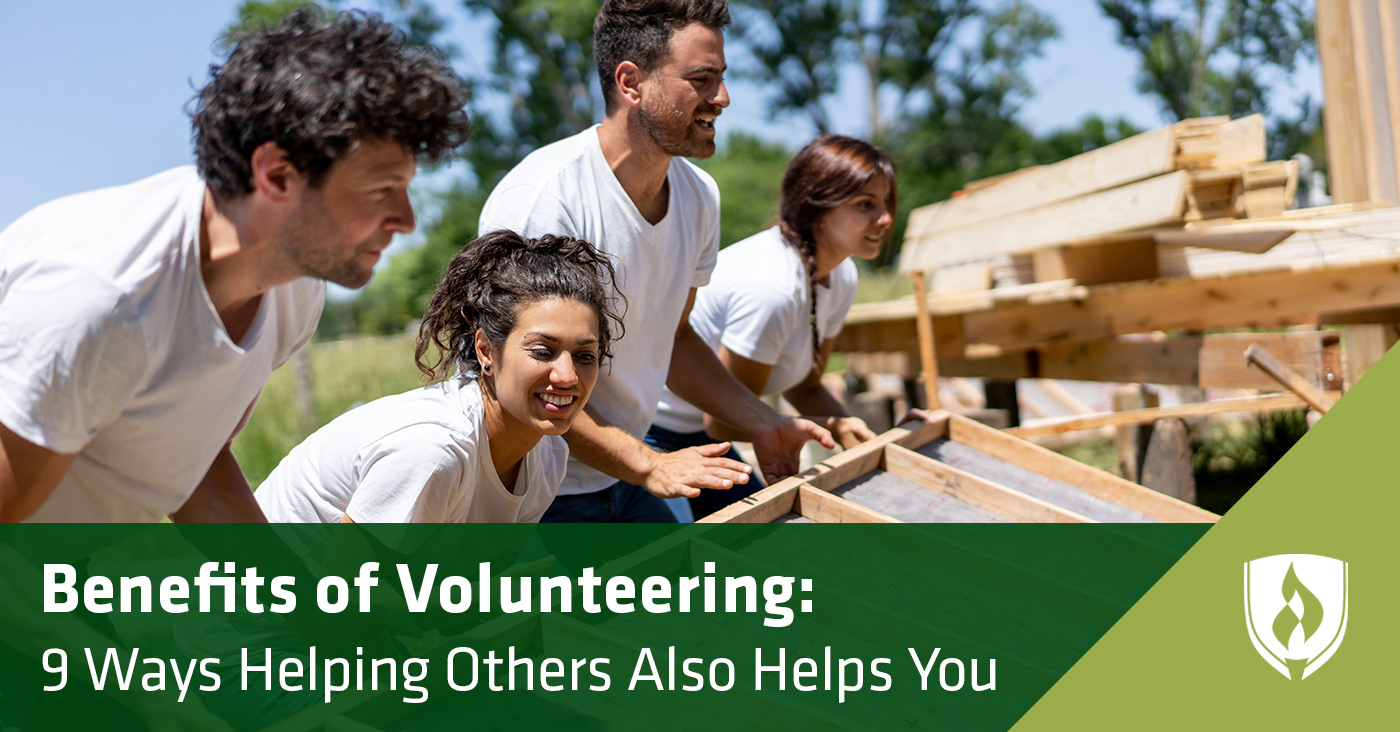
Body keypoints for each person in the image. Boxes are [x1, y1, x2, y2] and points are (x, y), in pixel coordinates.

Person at [0, 9, 471, 522]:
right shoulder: (98, 298)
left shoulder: (294, 289)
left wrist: (297, 599)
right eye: (382, 190)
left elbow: (193, 461)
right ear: (276, 175)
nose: (406, 219)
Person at [478, 0, 834, 523]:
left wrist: (762, 421)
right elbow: (520, 379)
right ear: (630, 83)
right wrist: (648, 464)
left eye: (722, 78)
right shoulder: (546, 201)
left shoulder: (699, 196)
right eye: (702, 79)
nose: (723, 98)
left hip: (625, 470)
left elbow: (678, 337)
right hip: (535, 489)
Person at [255, 231, 623, 523]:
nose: (567, 375)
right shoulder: (434, 450)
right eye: (543, 351)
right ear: (485, 351)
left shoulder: (547, 454)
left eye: (584, 356)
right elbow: (350, 590)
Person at [653, 135, 895, 520]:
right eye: (866, 205)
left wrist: (855, 433)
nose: (885, 219)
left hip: (707, 436)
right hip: (656, 435)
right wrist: (825, 428)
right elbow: (721, 420)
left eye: (886, 204)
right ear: (818, 206)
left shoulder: (841, 275)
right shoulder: (772, 289)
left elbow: (807, 385)